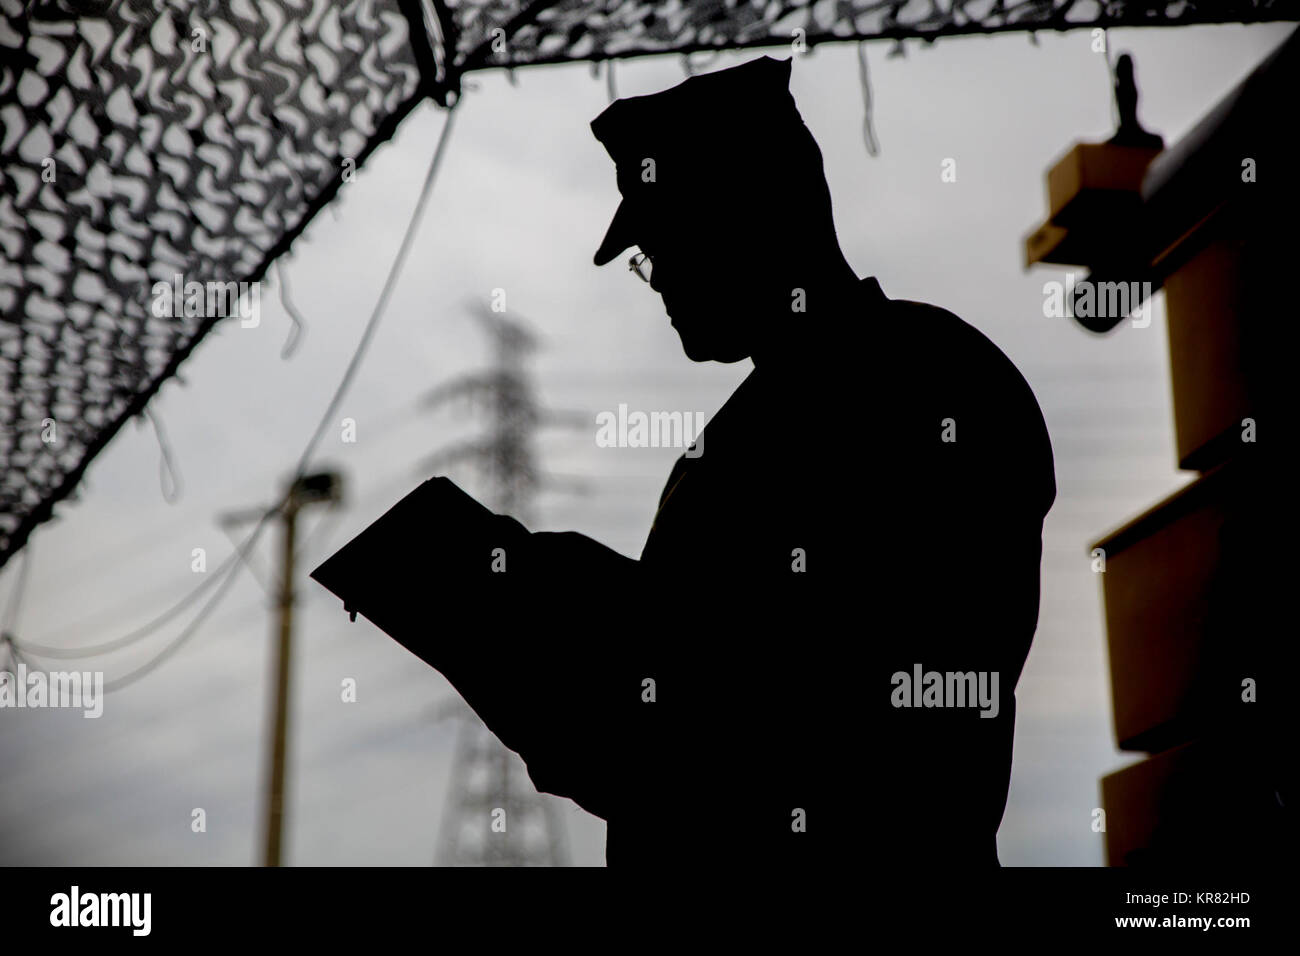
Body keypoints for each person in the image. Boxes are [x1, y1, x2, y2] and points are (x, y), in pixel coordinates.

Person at [316, 55, 1055, 867]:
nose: (657, 277)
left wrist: (469, 583)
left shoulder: (923, 382)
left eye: (660, 244)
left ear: (747, 217)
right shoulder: (768, 422)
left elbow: (770, 715)